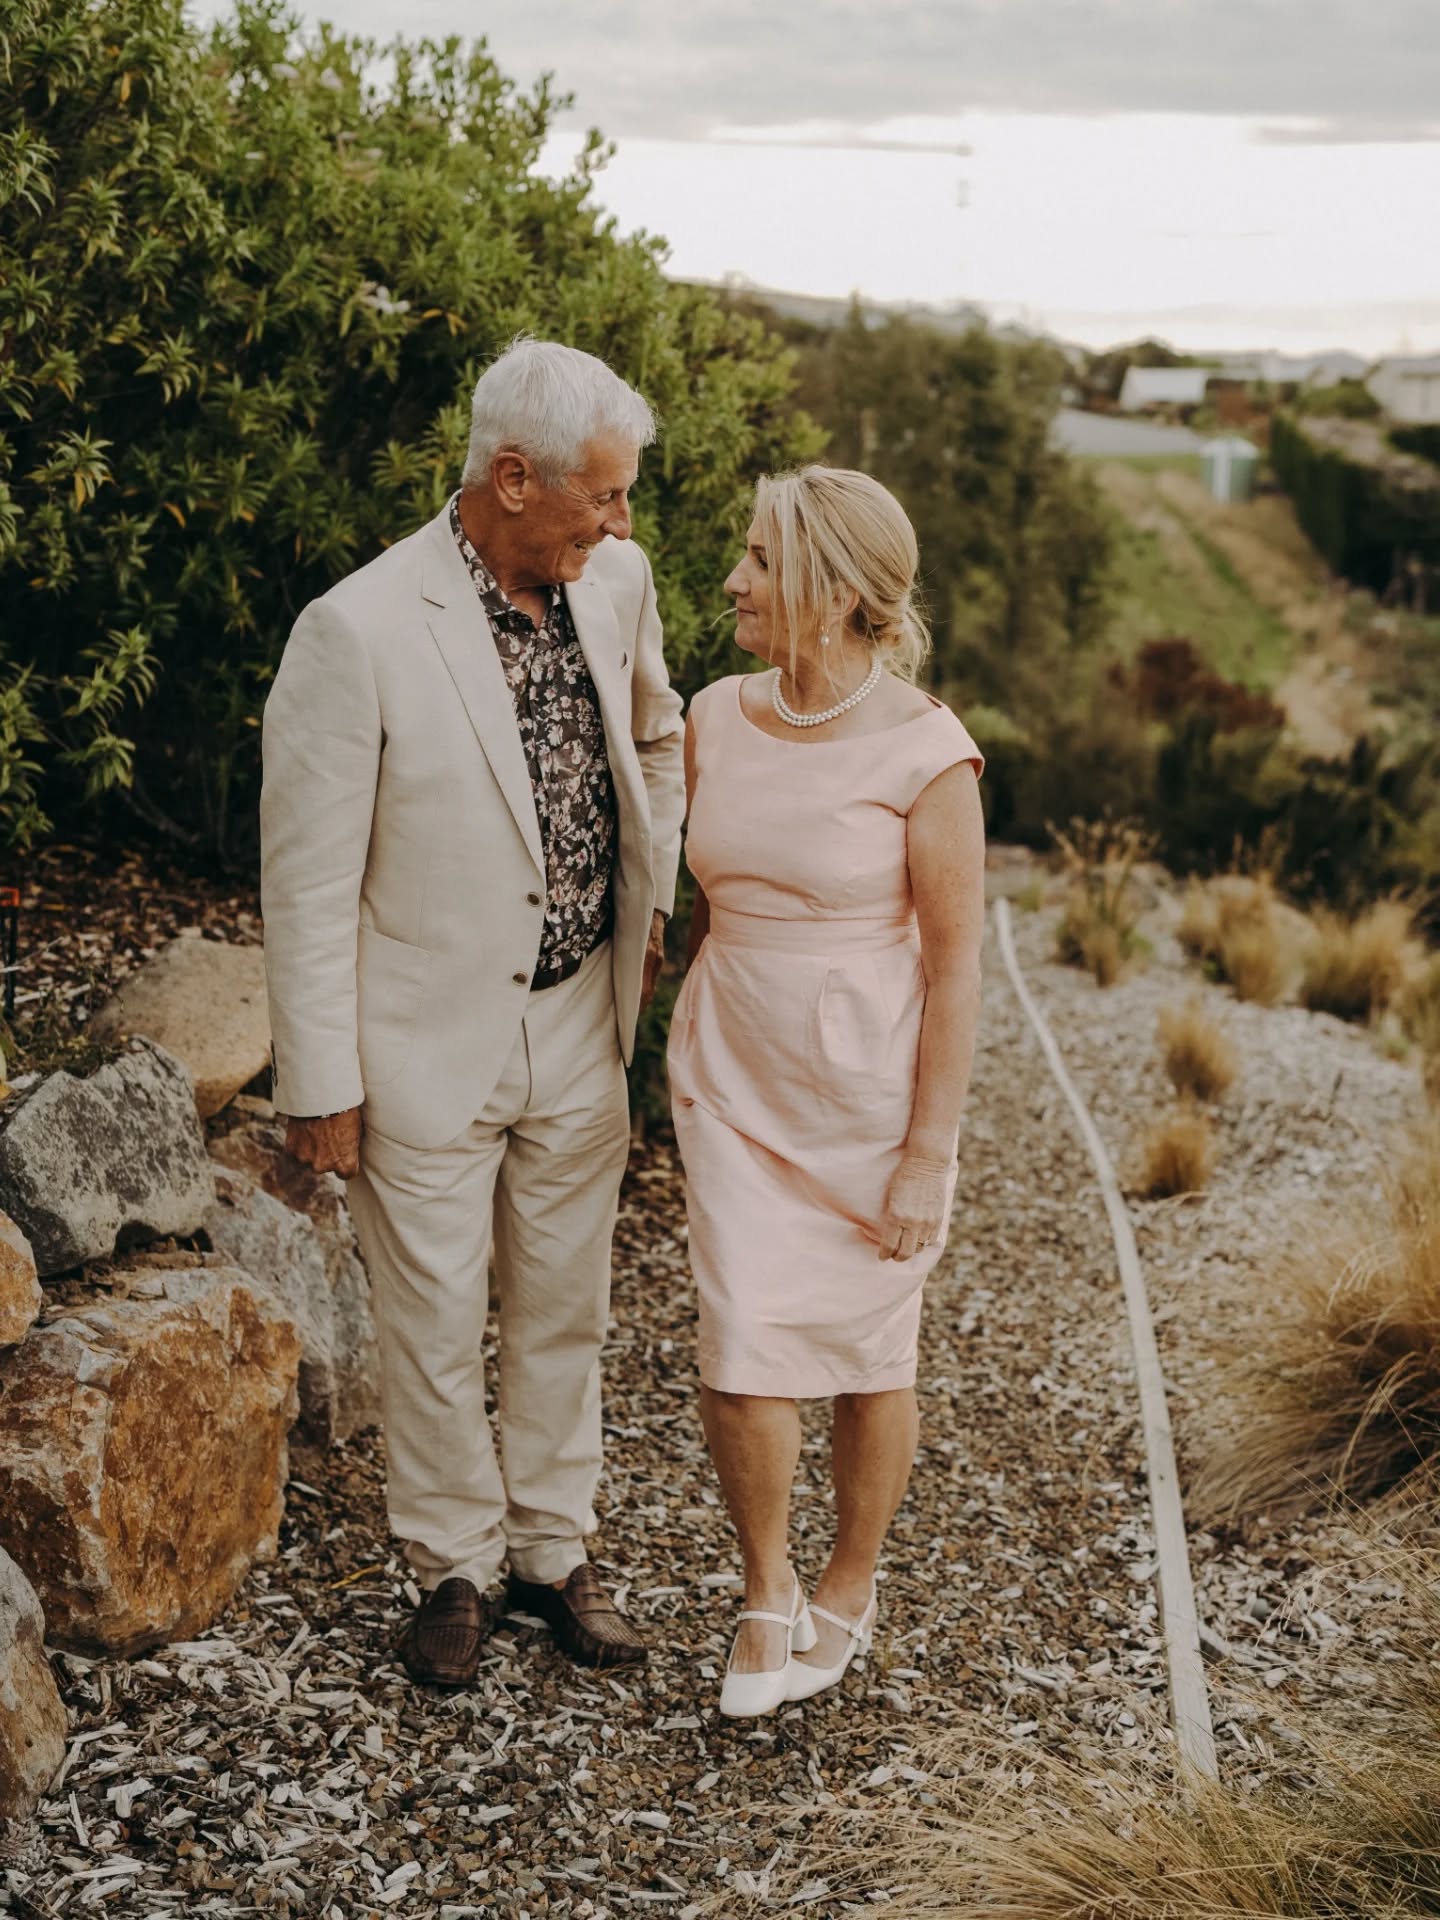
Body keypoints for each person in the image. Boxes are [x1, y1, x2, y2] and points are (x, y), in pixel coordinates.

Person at [261, 338, 686, 1687]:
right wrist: (318, 1081)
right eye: (601, 497)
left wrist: (655, 886)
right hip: (424, 1034)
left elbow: (658, 733)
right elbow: (309, 881)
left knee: (568, 1306)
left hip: (578, 1017)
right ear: (514, 477)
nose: (621, 525)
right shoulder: (357, 629)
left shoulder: (614, 585)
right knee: (432, 1318)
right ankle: (452, 1562)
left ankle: (557, 1555)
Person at [667, 466, 985, 1717]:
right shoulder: (713, 714)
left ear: (839, 593)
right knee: (740, 1334)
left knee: (864, 1351)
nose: (735, 580)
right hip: (734, 1071)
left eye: (761, 560)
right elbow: (704, 895)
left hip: (869, 1092)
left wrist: (928, 1153)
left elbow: (957, 969)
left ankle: (848, 1582)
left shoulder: (928, 751)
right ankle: (764, 1585)